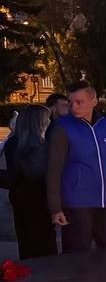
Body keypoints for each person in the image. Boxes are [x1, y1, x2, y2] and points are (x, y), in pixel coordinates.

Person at [46, 80, 106, 253]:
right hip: (77, 204)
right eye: (71, 103)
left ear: (93, 101)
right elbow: (53, 169)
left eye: (80, 102)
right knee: (77, 257)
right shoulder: (63, 127)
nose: (74, 107)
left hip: (104, 203)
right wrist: (56, 207)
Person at [4, 104, 57, 258]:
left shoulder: (15, 143)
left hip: (22, 198)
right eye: (47, 119)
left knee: (27, 240)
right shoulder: (41, 144)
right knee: (44, 240)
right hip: (38, 198)